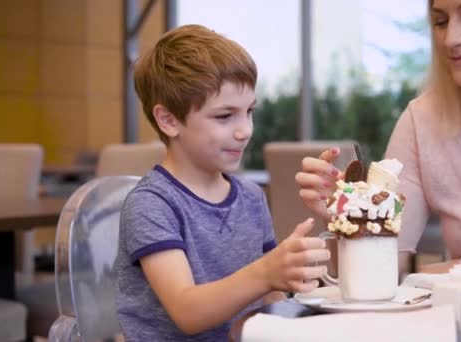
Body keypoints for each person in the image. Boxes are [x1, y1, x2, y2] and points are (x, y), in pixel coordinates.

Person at [296, 0, 461, 274]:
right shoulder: (422, 122)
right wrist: (351, 216)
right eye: (440, 21)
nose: (451, 38)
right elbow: (377, 275)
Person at [115, 24, 330, 341]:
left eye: (249, 112)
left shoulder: (251, 196)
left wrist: (333, 223)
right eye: (224, 116)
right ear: (169, 120)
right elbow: (187, 312)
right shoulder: (151, 204)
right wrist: (266, 272)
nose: (245, 130)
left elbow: (271, 302)